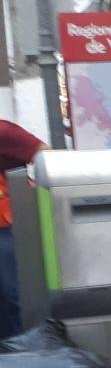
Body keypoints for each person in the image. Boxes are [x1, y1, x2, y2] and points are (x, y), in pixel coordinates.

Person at [0, 120, 47, 339]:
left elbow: (49, 160)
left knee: (15, 302)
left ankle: (26, 357)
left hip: (7, 231)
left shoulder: (3, 132)